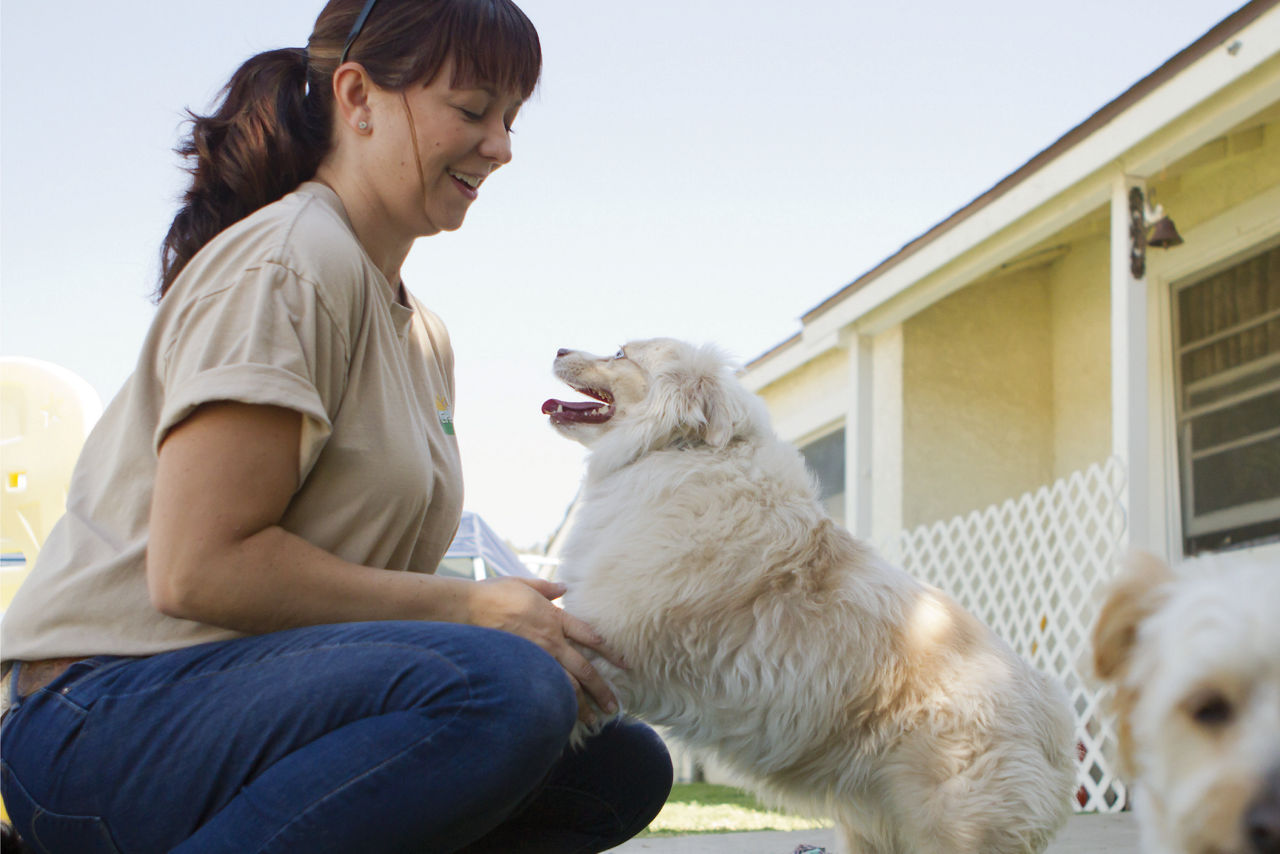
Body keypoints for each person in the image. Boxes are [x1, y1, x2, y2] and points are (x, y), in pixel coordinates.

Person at [0, 1, 673, 851]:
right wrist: (469, 612)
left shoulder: (422, 334)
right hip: (100, 718)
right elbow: (200, 569)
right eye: (473, 111)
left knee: (616, 768)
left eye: (511, 118)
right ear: (356, 97)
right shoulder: (290, 262)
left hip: (238, 708)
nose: (502, 146)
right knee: (503, 690)